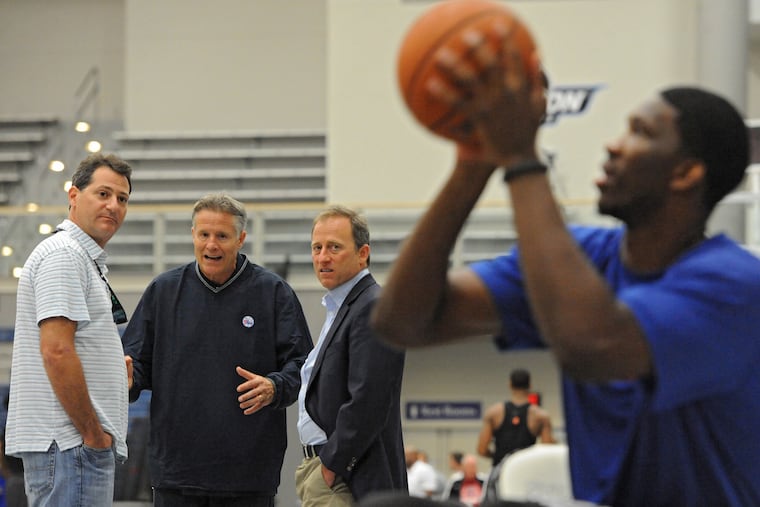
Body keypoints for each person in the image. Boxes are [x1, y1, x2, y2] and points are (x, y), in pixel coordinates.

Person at [369, 24, 760, 507]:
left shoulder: (735, 284)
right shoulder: (585, 256)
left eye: (640, 133)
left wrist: (520, 157)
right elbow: (400, 321)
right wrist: (474, 161)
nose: (614, 145)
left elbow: (591, 346)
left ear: (686, 174)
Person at [122, 192, 313, 506]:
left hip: (248, 476)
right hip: (177, 473)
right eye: (204, 234)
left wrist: (274, 386)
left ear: (241, 239)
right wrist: (126, 380)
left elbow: (304, 365)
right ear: (193, 235)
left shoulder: (273, 293)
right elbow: (136, 365)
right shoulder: (163, 291)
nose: (211, 245)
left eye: (222, 236)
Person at [5, 153, 133, 505]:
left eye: (122, 199)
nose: (114, 206)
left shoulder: (80, 258)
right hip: (70, 445)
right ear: (74, 196)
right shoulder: (64, 255)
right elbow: (56, 351)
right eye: (103, 194)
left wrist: (110, 373)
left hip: (70, 445)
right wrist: (92, 434)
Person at [295, 205, 407, 506]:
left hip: (347, 477)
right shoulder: (342, 307)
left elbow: (369, 400)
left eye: (334, 247)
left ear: (363, 253)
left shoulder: (372, 307)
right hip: (328, 470)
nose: (322, 257)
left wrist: (331, 466)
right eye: (316, 248)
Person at [477, 369, 555, 468]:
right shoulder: (540, 416)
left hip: (501, 469)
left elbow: (482, 450)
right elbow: (546, 449)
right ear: (530, 385)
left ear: (510, 384)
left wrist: (497, 456)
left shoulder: (493, 413)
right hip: (525, 470)